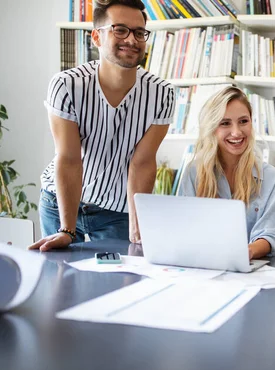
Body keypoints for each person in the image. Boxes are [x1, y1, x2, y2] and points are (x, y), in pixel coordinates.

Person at [30, 0, 174, 252]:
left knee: (118, 283)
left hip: (116, 209)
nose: (132, 39)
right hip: (60, 203)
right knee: (61, 283)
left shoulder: (162, 94)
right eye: (120, 29)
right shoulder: (66, 85)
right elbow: (69, 158)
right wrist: (67, 229)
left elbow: (142, 163)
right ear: (97, 37)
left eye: (139, 32)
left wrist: (137, 226)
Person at [177, 86, 275, 259]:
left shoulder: (271, 178)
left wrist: (244, 253)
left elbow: (269, 235)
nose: (236, 132)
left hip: (253, 269)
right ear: (212, 128)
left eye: (243, 121)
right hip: (202, 266)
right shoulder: (194, 172)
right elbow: (183, 228)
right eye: (225, 123)